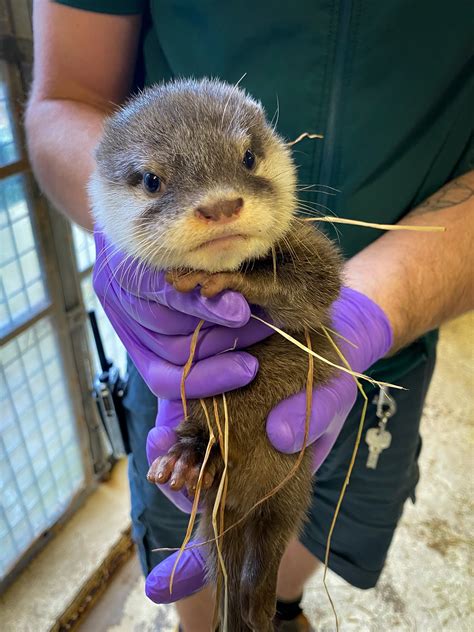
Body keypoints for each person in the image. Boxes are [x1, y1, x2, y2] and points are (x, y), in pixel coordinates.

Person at [26, 1, 473, 631]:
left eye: (242, 167)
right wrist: (125, 252)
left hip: (398, 348)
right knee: (193, 529)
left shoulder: (293, 245)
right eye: (156, 183)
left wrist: (377, 307)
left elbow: (318, 281)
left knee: (309, 531)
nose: (220, 205)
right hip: (172, 359)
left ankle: (279, 608)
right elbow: (63, 94)